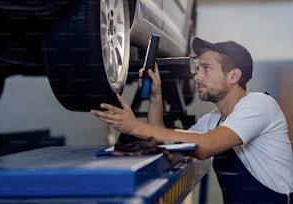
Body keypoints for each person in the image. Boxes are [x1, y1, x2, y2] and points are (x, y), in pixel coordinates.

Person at [91, 37, 293, 203]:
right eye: (197, 67)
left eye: (206, 68)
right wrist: (156, 95)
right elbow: (168, 138)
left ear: (233, 76)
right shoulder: (213, 121)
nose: (196, 76)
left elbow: (206, 146)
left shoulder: (259, 104)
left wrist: (135, 126)